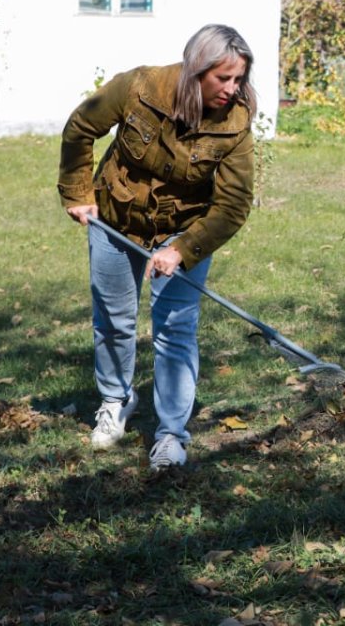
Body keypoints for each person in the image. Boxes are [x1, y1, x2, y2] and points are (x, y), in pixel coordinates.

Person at [57, 24, 257, 470]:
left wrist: (184, 249)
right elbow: (81, 125)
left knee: (175, 331)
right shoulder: (139, 87)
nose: (232, 88)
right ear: (196, 70)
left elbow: (233, 203)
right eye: (223, 78)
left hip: (183, 229)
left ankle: (170, 433)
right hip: (115, 220)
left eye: (239, 78)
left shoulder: (236, 122)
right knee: (113, 319)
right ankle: (115, 401)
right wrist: (77, 193)